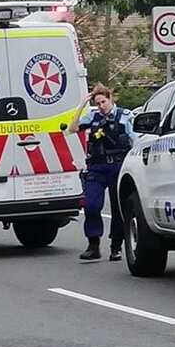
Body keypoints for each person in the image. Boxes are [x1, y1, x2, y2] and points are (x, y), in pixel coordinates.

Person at [77, 84, 134, 261]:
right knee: (91, 205)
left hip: (118, 166)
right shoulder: (92, 117)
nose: (101, 106)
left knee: (118, 209)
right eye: (97, 103)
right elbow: (72, 128)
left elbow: (135, 140)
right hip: (97, 167)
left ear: (110, 99)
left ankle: (116, 247)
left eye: (103, 102)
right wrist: (81, 105)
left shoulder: (125, 116)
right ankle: (93, 245)